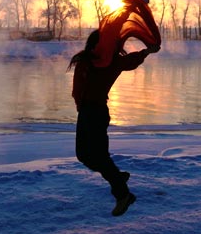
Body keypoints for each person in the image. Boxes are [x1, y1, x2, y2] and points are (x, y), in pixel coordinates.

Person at [68, 30, 160, 216]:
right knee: (83, 155)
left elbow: (132, 60)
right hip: (85, 112)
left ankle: (123, 195)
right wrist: (81, 107)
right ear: (94, 44)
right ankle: (117, 176)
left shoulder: (112, 61)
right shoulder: (85, 60)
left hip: (97, 113)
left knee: (100, 157)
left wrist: (147, 51)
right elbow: (77, 89)